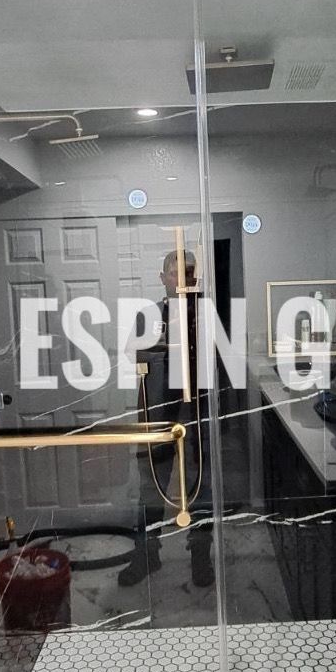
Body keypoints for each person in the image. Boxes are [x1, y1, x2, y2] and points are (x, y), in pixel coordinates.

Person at [118, 249, 214, 588]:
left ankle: (201, 554)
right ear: (163, 278)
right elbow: (133, 355)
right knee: (150, 487)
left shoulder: (205, 315)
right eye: (174, 273)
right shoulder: (147, 316)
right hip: (157, 411)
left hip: (197, 413)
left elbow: (218, 365)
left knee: (201, 487)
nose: (181, 278)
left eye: (188, 273)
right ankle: (147, 555)